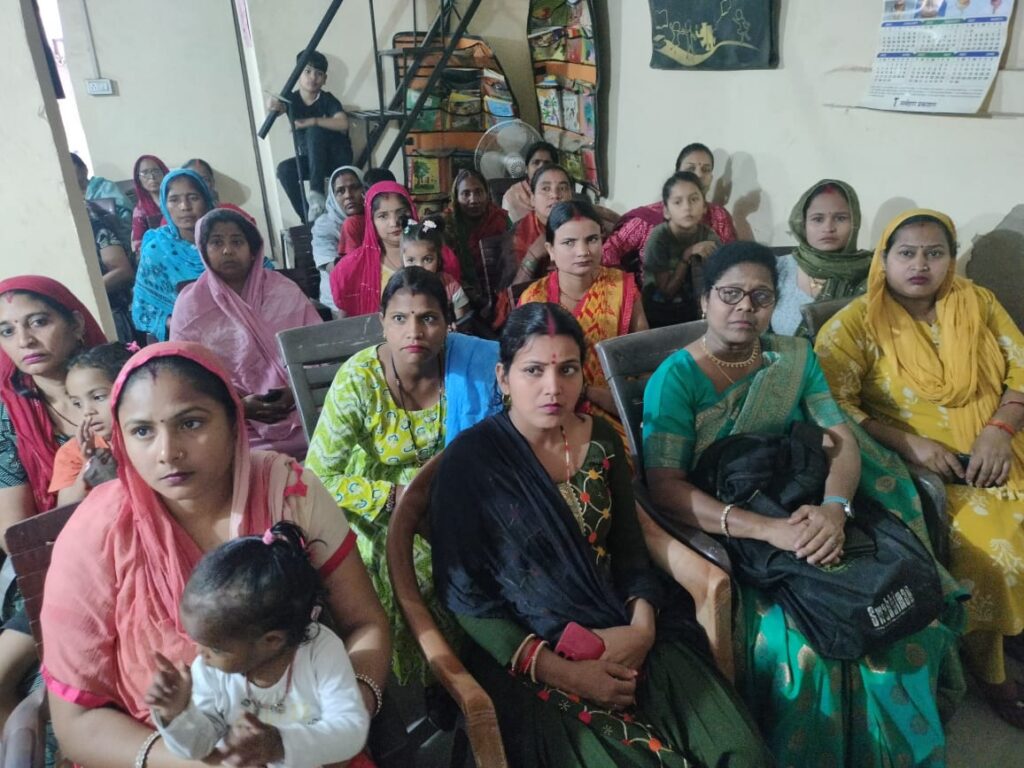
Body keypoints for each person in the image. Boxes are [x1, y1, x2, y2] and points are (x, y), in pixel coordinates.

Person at [642, 242, 964, 765]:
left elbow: (840, 436)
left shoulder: (792, 357)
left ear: (776, 302)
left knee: (895, 606)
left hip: (810, 507)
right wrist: (769, 531)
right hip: (737, 531)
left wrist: (835, 509)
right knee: (810, 653)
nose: (745, 307)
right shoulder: (675, 379)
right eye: (730, 294)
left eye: (761, 296)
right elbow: (665, 488)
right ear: (704, 301)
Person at [430, 302, 771, 768]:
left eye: (567, 370)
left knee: (742, 754)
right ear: (503, 378)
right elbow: (466, 596)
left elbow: (631, 550)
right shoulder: (469, 464)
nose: (553, 388)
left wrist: (642, 630)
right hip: (530, 652)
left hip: (622, 623)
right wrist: (565, 673)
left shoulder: (601, 441)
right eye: (533, 371)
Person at [41, 342, 391, 766]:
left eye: (191, 423)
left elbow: (364, 623)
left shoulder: (288, 491)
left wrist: (348, 714)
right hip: (161, 755)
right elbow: (76, 721)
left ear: (233, 419)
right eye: (142, 431)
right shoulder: (97, 531)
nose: (168, 452)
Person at [815, 209, 1024, 728]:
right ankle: (991, 669)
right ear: (884, 259)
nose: (920, 265)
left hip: (1004, 444)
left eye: (935, 253)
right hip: (934, 469)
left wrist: (1000, 429)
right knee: (992, 550)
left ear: (951, 259)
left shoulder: (977, 302)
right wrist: (908, 443)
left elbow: (1021, 367)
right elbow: (831, 405)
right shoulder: (856, 325)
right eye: (906, 253)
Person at [307, 267, 501, 684]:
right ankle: (431, 679)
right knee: (426, 565)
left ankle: (492, 663)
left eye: (428, 318)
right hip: (375, 498)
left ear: (448, 324)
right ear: (382, 323)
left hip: (454, 483)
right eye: (400, 318)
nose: (414, 332)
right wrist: (397, 497)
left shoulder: (468, 367)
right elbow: (318, 475)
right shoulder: (358, 382)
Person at [146, 521, 371, 766]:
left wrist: (279, 745)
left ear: (272, 640)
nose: (200, 654)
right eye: (198, 641)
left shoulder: (320, 651)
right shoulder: (211, 671)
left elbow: (351, 730)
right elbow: (200, 746)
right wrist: (178, 713)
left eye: (216, 648)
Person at [0, 276, 106, 728]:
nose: (24, 340)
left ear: (76, 324)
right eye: (6, 330)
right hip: (51, 562)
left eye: (38, 321)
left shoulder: (123, 382)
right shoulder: (10, 417)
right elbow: (13, 532)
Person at [170, 209, 320, 459]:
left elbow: (317, 349)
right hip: (232, 423)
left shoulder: (283, 290)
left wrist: (296, 391)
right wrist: (237, 406)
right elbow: (185, 375)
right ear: (204, 250)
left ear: (253, 250)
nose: (227, 250)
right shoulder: (191, 305)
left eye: (237, 242)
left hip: (302, 407)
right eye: (217, 242)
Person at [519, 199, 646, 440]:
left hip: (614, 411)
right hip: (549, 412)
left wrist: (610, 398)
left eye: (592, 239)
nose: (583, 251)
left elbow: (644, 362)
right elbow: (525, 372)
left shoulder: (622, 288)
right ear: (551, 250)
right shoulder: (534, 298)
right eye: (569, 242)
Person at [329, 181, 460, 318]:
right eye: (383, 216)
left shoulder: (441, 255)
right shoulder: (350, 269)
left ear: (412, 212)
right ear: (371, 221)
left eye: (401, 213)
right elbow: (345, 323)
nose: (394, 223)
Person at [603, 143, 736, 270]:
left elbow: (734, 260)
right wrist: (625, 282)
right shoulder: (647, 220)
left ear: (711, 178)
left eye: (706, 170)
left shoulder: (719, 216)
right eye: (691, 169)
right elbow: (607, 252)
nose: (699, 175)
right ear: (677, 174)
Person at [772, 179, 872, 337]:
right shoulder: (779, 268)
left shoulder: (871, 273)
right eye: (818, 219)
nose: (828, 228)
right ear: (803, 223)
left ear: (855, 222)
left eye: (840, 218)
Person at [269, 50, 353, 221]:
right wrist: (271, 104)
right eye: (307, 71)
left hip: (335, 158)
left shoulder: (327, 99)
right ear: (297, 74)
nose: (313, 77)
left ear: (325, 79)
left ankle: (316, 193)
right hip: (312, 161)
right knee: (284, 170)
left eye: (318, 74)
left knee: (314, 131)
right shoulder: (291, 99)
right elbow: (278, 106)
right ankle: (309, 217)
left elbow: (343, 123)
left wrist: (313, 121)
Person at [131, 169, 214, 341]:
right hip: (184, 339)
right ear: (164, 205)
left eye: (193, 198)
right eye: (174, 200)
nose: (184, 207)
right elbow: (144, 311)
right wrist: (178, 322)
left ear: (206, 201)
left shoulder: (225, 240)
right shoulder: (157, 250)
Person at [49, 342, 133, 505]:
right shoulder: (72, 453)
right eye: (77, 403)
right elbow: (65, 510)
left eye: (98, 397)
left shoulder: (148, 438)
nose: (87, 411)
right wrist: (88, 464)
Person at [642, 171, 720, 328]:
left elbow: (718, 280)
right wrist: (687, 255)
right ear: (666, 211)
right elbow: (667, 292)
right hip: (659, 315)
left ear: (704, 207)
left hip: (695, 313)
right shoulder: (659, 237)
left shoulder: (708, 236)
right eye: (678, 202)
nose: (687, 207)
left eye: (694, 199)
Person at [71, 157, 137, 341]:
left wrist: (83, 293)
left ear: (83, 169)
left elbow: (122, 271)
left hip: (112, 309)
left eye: (71, 167)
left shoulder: (97, 224)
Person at [443, 168, 511, 311]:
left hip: (500, 292)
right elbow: (445, 270)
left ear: (487, 193)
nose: (473, 200)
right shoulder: (447, 225)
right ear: (456, 197)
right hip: (460, 297)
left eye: (479, 192)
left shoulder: (500, 219)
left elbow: (514, 258)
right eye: (466, 194)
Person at [511, 163, 574, 285]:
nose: (555, 195)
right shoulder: (519, 236)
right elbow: (512, 292)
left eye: (562, 188)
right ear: (532, 199)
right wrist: (532, 256)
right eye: (546, 189)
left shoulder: (582, 224)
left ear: (571, 196)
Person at [313, 165, 364, 311]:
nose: (348, 195)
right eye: (341, 191)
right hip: (336, 306)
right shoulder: (324, 225)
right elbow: (335, 269)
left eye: (354, 188)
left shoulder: (376, 216)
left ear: (365, 190)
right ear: (333, 197)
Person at [401, 220, 469, 324]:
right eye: (411, 260)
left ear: (439, 259)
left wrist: (453, 327)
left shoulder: (450, 286)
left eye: (427, 259)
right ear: (403, 260)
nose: (419, 266)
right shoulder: (398, 288)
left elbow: (463, 323)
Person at [70, 152, 132, 235]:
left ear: (83, 169)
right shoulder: (68, 199)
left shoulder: (105, 186)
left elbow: (126, 212)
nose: (69, 174)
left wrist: (93, 209)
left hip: (116, 235)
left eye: (70, 167)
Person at [501, 140, 558, 224]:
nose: (541, 167)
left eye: (547, 163)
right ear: (527, 168)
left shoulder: (560, 194)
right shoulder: (512, 196)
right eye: (536, 162)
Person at [130, 154, 170, 253]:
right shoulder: (140, 210)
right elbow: (138, 244)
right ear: (138, 179)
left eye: (155, 171)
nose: (152, 177)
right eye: (145, 173)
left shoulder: (179, 200)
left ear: (164, 173)